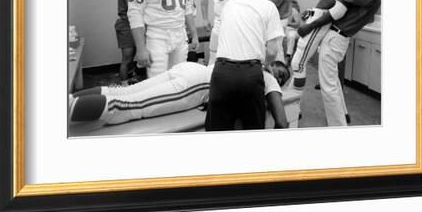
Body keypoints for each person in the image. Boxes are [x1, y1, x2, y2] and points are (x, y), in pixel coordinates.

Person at [70, 61, 290, 129]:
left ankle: (69, 100)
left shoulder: (249, 57)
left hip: (190, 69)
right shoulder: (266, 77)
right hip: (198, 84)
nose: (279, 79)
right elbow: (281, 119)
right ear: (272, 67)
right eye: (281, 74)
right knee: (126, 105)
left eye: (282, 79)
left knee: (124, 91)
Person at [205, 0, 285, 131]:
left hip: (220, 73)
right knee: (251, 133)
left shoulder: (229, 5)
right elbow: (271, 51)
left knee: (216, 134)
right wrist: (266, 65)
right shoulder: (269, 6)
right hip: (250, 75)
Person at [298, 0, 382, 126]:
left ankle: (338, 126)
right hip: (341, 39)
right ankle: (343, 113)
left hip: (336, 37)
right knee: (334, 80)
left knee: (328, 85)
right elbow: (369, 18)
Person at [291, 0, 378, 88]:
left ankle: (294, 103)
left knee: (298, 63)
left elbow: (339, 10)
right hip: (318, 16)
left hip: (321, 21)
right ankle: (293, 104)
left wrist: (310, 26)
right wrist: (311, 13)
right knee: (298, 62)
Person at [114, 0, 145, 85]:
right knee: (127, 58)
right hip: (126, 26)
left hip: (134, 25)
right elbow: (135, 9)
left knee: (133, 57)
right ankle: (124, 86)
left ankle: (130, 79)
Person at [284, 0, 302, 64]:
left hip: (292, 30)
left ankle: (288, 56)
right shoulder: (281, 10)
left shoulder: (293, 11)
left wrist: (288, 23)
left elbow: (298, 23)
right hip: (283, 29)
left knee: (291, 36)